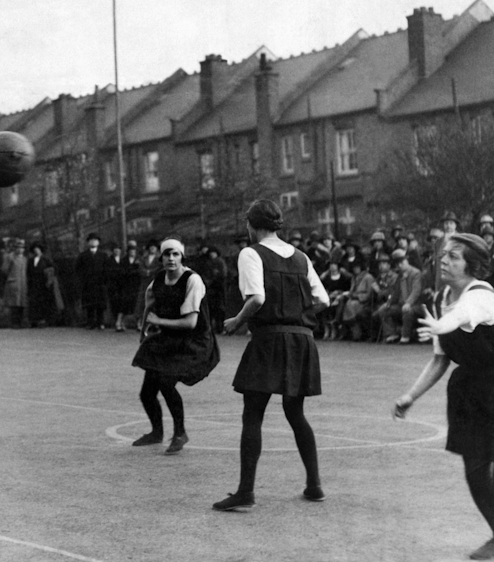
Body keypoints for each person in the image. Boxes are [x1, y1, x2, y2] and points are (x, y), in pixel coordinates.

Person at [393, 234, 494, 560]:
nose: (444, 260)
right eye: (444, 255)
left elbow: (463, 316)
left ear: (471, 265)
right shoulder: (443, 298)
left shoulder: (480, 296)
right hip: (471, 391)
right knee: (475, 474)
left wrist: (442, 325)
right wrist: (410, 395)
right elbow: (441, 359)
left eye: (454, 256)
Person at [214, 199, 329, 511]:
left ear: (252, 225)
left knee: (253, 413)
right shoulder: (302, 257)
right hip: (302, 340)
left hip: (269, 339)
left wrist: (237, 321)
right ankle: (314, 485)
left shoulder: (251, 253)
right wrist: (296, 313)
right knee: (295, 413)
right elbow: (323, 300)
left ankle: (245, 491)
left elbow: (257, 298)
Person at [131, 238, 220, 455]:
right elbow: (148, 306)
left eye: (175, 254)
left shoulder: (193, 280)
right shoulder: (159, 279)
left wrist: (158, 322)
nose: (171, 258)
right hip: (169, 338)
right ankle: (156, 432)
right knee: (146, 392)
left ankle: (180, 433)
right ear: (161, 258)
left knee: (166, 383)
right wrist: (144, 332)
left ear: (182, 257)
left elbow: (190, 322)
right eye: (167, 254)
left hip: (194, 341)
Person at [375, 250, 424, 344]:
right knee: (383, 310)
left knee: (407, 310)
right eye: (398, 264)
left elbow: (416, 291)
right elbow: (396, 292)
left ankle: (405, 337)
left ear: (407, 261)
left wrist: (408, 303)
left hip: (416, 304)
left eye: (402, 262)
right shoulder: (400, 276)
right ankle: (391, 334)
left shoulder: (416, 273)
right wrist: (389, 303)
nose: (400, 265)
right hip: (401, 304)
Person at [75, 233, 107, 329]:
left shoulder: (103, 255)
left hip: (100, 283)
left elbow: (107, 269)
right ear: (88, 243)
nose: (93, 242)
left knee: (100, 304)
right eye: (91, 240)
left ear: (98, 243)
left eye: (95, 240)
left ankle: (100, 322)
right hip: (88, 283)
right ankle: (90, 322)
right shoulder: (83, 255)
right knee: (89, 304)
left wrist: (104, 280)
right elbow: (78, 269)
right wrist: (82, 280)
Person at [26, 243, 58, 327]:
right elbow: (28, 272)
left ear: (41, 250)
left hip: (43, 284)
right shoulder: (30, 260)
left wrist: (48, 279)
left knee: (42, 302)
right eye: (35, 249)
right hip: (33, 283)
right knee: (33, 302)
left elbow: (53, 269)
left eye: (38, 249)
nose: (36, 251)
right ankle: (34, 320)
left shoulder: (46, 260)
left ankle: (43, 320)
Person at [318, 261, 351, 340]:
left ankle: (334, 326)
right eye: (331, 265)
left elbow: (347, 289)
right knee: (324, 303)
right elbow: (322, 288)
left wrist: (339, 293)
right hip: (329, 297)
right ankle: (326, 327)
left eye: (334, 265)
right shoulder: (326, 278)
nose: (332, 267)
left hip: (340, 297)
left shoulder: (344, 277)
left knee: (338, 305)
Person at [1, 237, 28, 328]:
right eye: (18, 248)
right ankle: (14, 323)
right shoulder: (10, 257)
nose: (20, 250)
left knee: (22, 303)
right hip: (14, 282)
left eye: (22, 248)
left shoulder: (25, 259)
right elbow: (4, 269)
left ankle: (21, 322)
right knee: (14, 304)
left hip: (23, 283)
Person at [115, 244, 142, 331]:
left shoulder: (139, 260)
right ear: (128, 252)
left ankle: (139, 324)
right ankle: (119, 322)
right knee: (123, 304)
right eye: (131, 251)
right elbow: (122, 272)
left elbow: (140, 272)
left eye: (134, 251)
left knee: (136, 305)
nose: (132, 253)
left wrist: (132, 272)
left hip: (135, 286)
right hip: (125, 286)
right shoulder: (123, 261)